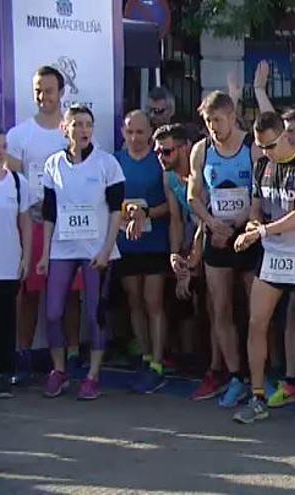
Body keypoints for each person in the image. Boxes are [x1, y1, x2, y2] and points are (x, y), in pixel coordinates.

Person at [230, 111, 295, 424]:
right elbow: (257, 207)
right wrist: (255, 224)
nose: (266, 152)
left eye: (270, 146)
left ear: (284, 135)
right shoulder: (261, 165)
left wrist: (262, 232)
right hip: (272, 252)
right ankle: (257, 395)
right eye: (261, 147)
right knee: (257, 322)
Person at [37, 105, 125, 400]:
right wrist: (44, 254)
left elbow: (116, 211)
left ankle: (92, 375)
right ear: (65, 129)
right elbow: (49, 212)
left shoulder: (107, 164)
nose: (83, 130)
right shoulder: (53, 164)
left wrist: (107, 249)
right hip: (63, 247)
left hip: (96, 250)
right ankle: (59, 371)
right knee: (52, 312)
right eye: (76, 125)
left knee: (93, 313)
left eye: (88, 124)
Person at [187, 91, 261, 408]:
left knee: (257, 312)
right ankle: (235, 377)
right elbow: (194, 194)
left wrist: (236, 227)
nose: (214, 127)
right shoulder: (201, 150)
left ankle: (262, 374)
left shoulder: (252, 148)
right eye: (208, 121)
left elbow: (259, 197)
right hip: (216, 237)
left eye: (218, 120)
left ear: (233, 117)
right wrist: (212, 224)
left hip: (247, 236)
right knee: (221, 308)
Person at [5, 66, 73, 383]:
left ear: (61, 92)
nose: (42, 96)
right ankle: (23, 355)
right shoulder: (18, 135)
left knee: (71, 294)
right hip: (32, 225)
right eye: (37, 89)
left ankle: (71, 357)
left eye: (48, 89)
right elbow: (15, 183)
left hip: (70, 229)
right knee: (29, 294)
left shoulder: (72, 132)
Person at [155, 124, 227, 401]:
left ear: (185, 148)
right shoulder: (168, 177)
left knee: (217, 307)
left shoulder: (204, 171)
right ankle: (209, 365)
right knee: (201, 306)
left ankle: (220, 370)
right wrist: (176, 256)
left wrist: (192, 262)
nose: (162, 157)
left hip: (217, 235)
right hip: (197, 239)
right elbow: (176, 219)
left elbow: (204, 219)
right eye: (158, 152)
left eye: (167, 151)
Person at [115, 111, 174, 394]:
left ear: (150, 132)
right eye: (130, 132)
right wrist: (125, 212)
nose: (135, 138)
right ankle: (146, 356)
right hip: (126, 244)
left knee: (154, 302)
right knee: (134, 300)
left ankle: (159, 363)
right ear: (123, 132)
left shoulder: (159, 161)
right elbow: (110, 202)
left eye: (140, 132)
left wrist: (146, 212)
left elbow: (170, 207)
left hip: (154, 242)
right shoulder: (116, 161)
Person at [0, 126, 31, 398]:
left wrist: (27, 256)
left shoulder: (17, 182)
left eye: (3, 147)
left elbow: (25, 221)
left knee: (4, 321)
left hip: (7, 263)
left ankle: (1, 375)